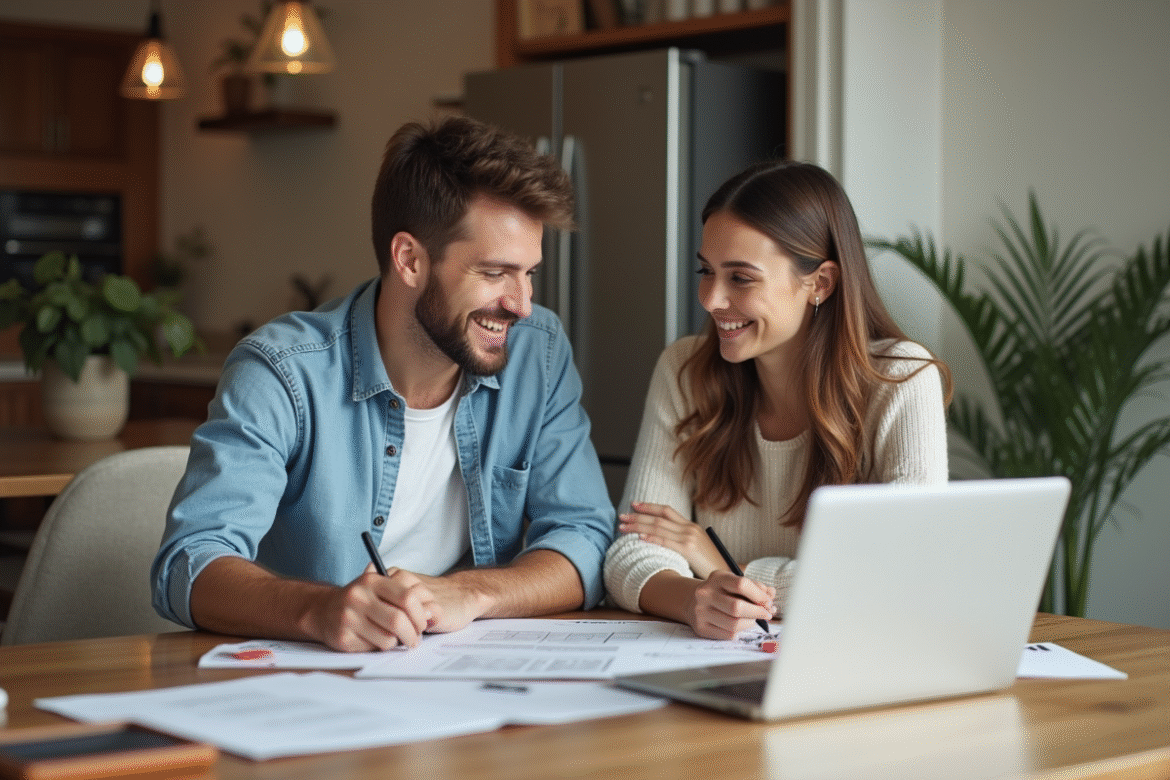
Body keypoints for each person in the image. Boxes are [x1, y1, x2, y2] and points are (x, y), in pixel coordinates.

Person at [152, 116, 615, 651]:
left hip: (467, 676)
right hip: (310, 683)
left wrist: (470, 593)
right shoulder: (283, 371)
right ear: (410, 260)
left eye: (528, 273)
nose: (521, 304)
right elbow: (191, 562)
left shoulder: (538, 350)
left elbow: (584, 536)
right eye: (494, 273)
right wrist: (319, 610)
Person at [603, 160, 951, 640]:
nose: (709, 299)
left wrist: (715, 560)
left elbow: (906, 573)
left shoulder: (901, 379)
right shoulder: (684, 370)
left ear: (819, 284)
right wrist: (693, 600)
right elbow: (633, 550)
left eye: (740, 278)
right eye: (707, 271)